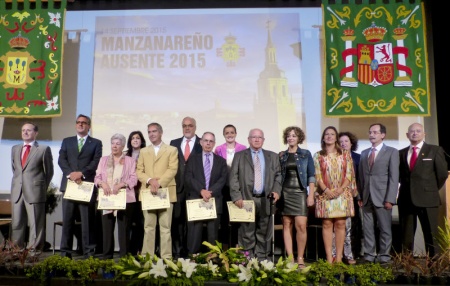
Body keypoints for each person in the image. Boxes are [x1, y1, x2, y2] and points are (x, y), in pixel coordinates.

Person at [229, 128, 282, 261]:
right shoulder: (239, 156)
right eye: (254, 137)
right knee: (246, 232)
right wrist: (236, 196)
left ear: (263, 140)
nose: (257, 139)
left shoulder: (273, 156)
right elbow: (233, 177)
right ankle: (246, 259)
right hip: (246, 199)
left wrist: (276, 191)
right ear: (248, 139)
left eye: (260, 137)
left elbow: (278, 176)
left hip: (266, 200)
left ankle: (263, 260)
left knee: (264, 231)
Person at [398, 123, 448, 257]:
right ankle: (406, 265)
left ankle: (435, 266)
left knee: (431, 234)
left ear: (424, 134)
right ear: (407, 135)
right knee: (406, 236)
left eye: (418, 131)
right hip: (406, 199)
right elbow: (399, 176)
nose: (415, 133)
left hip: (428, 199)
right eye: (412, 131)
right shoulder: (401, 153)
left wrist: (430, 189)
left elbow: (442, 174)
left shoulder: (435, 150)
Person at [59, 114, 103, 259]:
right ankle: (65, 253)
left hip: (86, 186)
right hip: (69, 185)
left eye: (84, 123)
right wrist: (70, 174)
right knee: (68, 222)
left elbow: (95, 162)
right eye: (78, 122)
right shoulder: (67, 141)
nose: (80, 125)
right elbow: (62, 160)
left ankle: (88, 253)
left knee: (87, 222)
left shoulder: (96, 143)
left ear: (89, 126)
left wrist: (81, 173)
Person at [358, 123, 399, 264]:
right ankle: (369, 254)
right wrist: (360, 196)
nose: (371, 135)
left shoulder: (392, 152)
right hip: (367, 197)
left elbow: (394, 178)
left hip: (383, 198)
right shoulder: (364, 153)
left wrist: (390, 198)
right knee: (367, 228)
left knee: (384, 228)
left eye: (375, 132)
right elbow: (361, 177)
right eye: (370, 132)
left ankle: (384, 256)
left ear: (383, 135)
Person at [137, 122, 178, 259]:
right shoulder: (143, 151)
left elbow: (172, 169)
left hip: (165, 192)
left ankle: (166, 258)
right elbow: (139, 171)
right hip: (148, 192)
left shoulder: (172, 150)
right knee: (148, 227)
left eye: (154, 131)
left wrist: (159, 183)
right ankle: (147, 258)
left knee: (165, 228)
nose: (151, 134)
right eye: (149, 132)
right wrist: (150, 181)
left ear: (161, 133)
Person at [313, 126, 354, 264]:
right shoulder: (318, 155)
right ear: (323, 138)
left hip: (342, 194)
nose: (329, 136)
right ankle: (330, 258)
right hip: (325, 194)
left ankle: (339, 259)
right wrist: (326, 190)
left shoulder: (345, 154)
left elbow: (349, 174)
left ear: (336, 137)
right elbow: (317, 176)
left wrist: (340, 189)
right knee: (327, 224)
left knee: (341, 223)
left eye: (332, 134)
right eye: (327, 134)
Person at [11, 122, 54, 251]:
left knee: (36, 223)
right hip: (17, 191)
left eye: (28, 130)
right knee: (17, 223)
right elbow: (16, 170)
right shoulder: (15, 148)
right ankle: (16, 251)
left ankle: (33, 251)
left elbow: (49, 172)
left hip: (35, 191)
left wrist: (40, 187)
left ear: (36, 133)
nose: (25, 132)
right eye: (23, 130)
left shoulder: (43, 149)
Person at [94, 133, 138, 259]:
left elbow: (134, 179)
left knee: (124, 230)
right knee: (107, 230)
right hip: (106, 198)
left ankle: (124, 258)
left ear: (123, 146)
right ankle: (107, 257)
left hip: (124, 199)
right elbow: (97, 177)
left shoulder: (130, 160)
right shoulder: (103, 160)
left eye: (118, 144)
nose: (115, 146)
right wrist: (103, 183)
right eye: (113, 143)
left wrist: (122, 184)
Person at [185, 132, 228, 254]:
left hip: (214, 201)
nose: (208, 143)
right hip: (196, 200)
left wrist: (210, 192)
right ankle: (193, 259)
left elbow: (222, 179)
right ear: (201, 142)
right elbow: (188, 177)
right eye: (206, 140)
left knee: (213, 235)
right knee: (194, 233)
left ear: (214, 143)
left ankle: (213, 260)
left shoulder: (221, 161)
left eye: (211, 141)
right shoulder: (193, 159)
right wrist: (201, 190)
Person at [278, 126, 315, 268]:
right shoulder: (282, 155)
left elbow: (311, 175)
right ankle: (290, 257)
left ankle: (300, 257)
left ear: (299, 138)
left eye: (293, 135)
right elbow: (278, 176)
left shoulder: (306, 154)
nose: (290, 138)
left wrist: (310, 195)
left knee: (301, 226)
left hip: (300, 193)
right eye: (288, 136)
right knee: (287, 225)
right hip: (285, 193)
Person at [170, 116, 202, 259]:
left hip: (195, 189)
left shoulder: (202, 143)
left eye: (190, 125)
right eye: (184, 126)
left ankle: (191, 252)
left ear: (195, 127)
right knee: (177, 221)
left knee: (193, 222)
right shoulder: (174, 143)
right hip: (178, 188)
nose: (187, 128)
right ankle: (177, 251)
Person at [330, 131, 361, 264]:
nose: (343, 143)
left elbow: (360, 178)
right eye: (341, 141)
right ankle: (335, 255)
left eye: (346, 141)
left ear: (351, 143)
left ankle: (350, 254)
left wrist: (359, 195)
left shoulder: (358, 158)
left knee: (350, 228)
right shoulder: (334, 157)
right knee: (335, 227)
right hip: (335, 197)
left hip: (352, 197)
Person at [214, 124, 247, 247]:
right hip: (223, 188)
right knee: (224, 218)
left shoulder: (243, 148)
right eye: (227, 133)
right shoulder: (218, 149)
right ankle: (224, 246)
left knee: (237, 218)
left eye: (232, 132)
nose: (229, 135)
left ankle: (236, 245)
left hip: (238, 188)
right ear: (224, 135)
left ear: (236, 134)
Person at [125, 131, 146, 255]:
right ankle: (128, 250)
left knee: (141, 223)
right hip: (128, 192)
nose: (135, 140)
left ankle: (139, 249)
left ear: (142, 140)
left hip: (142, 191)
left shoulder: (147, 153)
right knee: (128, 223)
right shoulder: (125, 155)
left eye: (138, 138)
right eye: (133, 138)